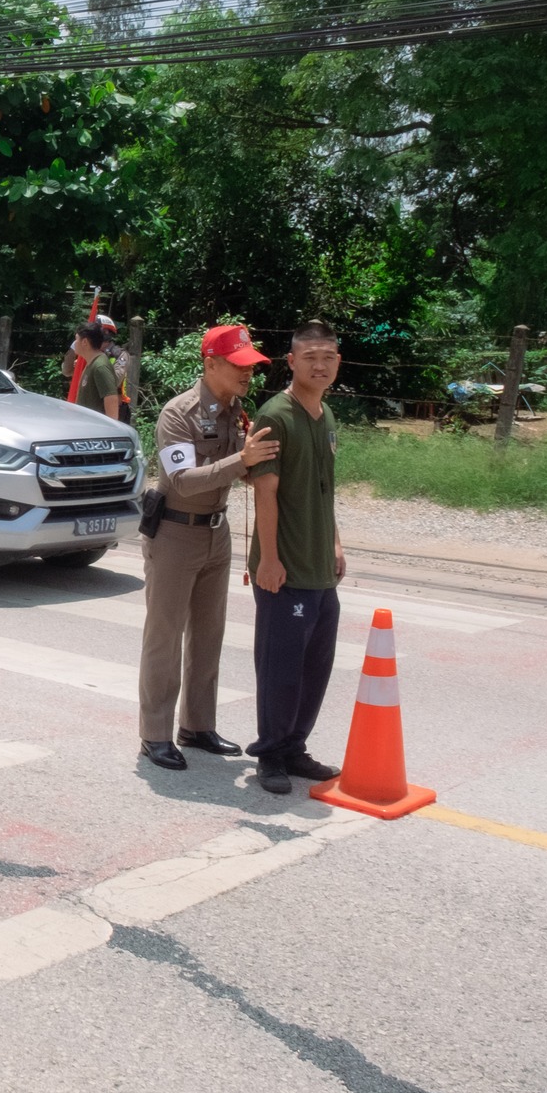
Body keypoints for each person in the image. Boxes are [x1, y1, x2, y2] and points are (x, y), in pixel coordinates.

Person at [137, 323, 279, 771]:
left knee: (208, 634)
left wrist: (251, 458)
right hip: (176, 533)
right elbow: (182, 481)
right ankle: (154, 735)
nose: (247, 375)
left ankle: (197, 726)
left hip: (217, 534)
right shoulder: (177, 414)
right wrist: (243, 460)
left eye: (251, 367)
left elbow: (243, 474)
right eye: (238, 366)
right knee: (165, 636)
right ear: (211, 364)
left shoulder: (236, 411)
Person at [246, 320, 348, 796]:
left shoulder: (326, 415)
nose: (320, 365)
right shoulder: (275, 415)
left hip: (319, 564)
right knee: (280, 664)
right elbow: (265, 493)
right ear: (292, 361)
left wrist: (335, 543)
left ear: (338, 362)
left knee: (314, 665)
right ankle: (270, 754)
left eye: (328, 356)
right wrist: (268, 558)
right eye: (310, 357)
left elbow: (325, 489)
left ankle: (295, 746)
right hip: (283, 566)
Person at [71, 322, 122, 420]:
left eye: (76, 339)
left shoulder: (100, 366)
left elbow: (111, 399)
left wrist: (111, 432)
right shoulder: (91, 363)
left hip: (95, 430)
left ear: (85, 342)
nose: (74, 343)